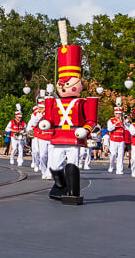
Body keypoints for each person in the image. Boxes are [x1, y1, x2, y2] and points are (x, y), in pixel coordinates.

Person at [36, 25, 98, 202]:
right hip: (57, 136)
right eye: (61, 83)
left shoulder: (82, 102)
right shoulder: (52, 102)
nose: (62, 86)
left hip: (73, 135)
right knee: (54, 167)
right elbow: (48, 118)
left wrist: (85, 129)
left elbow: (91, 120)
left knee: (72, 165)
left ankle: (73, 193)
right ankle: (61, 187)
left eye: (67, 82)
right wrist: (46, 123)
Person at [105, 104, 128, 175]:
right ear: (114, 114)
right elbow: (109, 129)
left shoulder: (123, 121)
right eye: (117, 113)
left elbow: (127, 129)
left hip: (121, 140)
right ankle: (111, 165)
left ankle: (119, 170)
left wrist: (125, 122)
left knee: (121, 155)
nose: (118, 115)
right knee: (113, 154)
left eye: (120, 113)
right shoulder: (111, 120)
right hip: (113, 140)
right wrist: (117, 123)